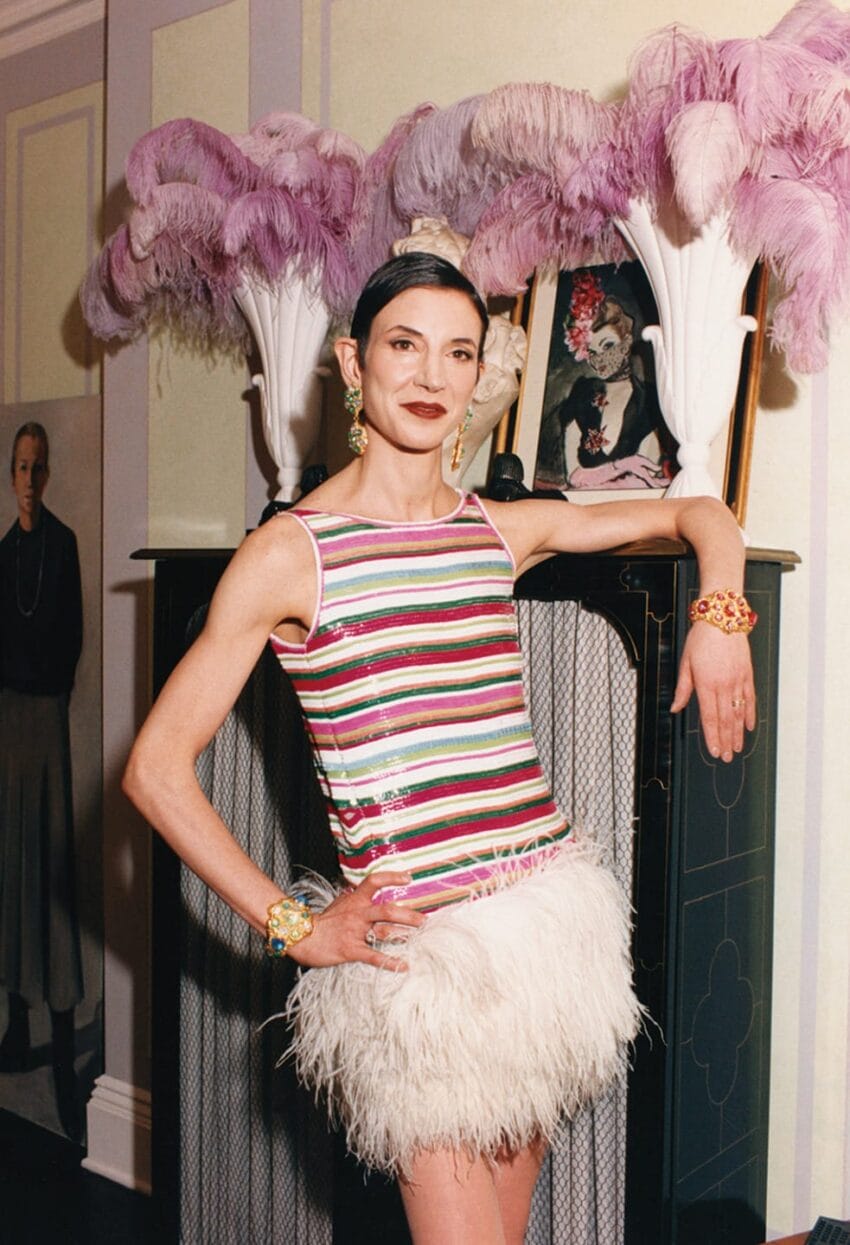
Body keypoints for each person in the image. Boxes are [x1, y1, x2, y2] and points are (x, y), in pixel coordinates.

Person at [123, 253, 756, 1245]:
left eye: (459, 353)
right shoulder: (290, 553)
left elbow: (699, 511)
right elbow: (154, 770)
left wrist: (721, 616)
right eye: (405, 345)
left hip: (538, 939)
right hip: (419, 974)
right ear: (353, 362)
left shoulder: (496, 528)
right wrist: (294, 926)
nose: (430, 376)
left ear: (478, 375)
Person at [0, 422, 84, 1133]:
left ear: (47, 475)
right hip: (8, 723)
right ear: (11, 476)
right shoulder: (4, 554)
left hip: (48, 720)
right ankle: (16, 1019)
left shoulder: (64, 545)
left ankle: (59, 1037)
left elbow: (71, 638)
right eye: (20, 467)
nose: (29, 479)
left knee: (50, 863)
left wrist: (44, 686)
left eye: (37, 467)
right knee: (10, 865)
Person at [536, 269, 670, 492]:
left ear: (626, 340)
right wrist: (622, 466)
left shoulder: (650, 400)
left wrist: (603, 475)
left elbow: (647, 479)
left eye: (608, 345)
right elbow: (575, 477)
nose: (600, 358)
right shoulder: (583, 394)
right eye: (592, 351)